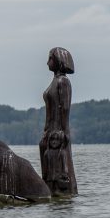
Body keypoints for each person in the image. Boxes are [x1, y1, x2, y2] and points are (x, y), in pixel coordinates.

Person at [40, 47, 78, 196]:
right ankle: (48, 189)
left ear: (58, 60)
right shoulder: (54, 81)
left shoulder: (63, 82)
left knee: (58, 159)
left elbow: (65, 108)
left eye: (50, 58)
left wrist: (62, 131)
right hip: (49, 129)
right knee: (44, 151)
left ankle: (61, 192)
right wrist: (46, 130)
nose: (47, 62)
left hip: (58, 130)